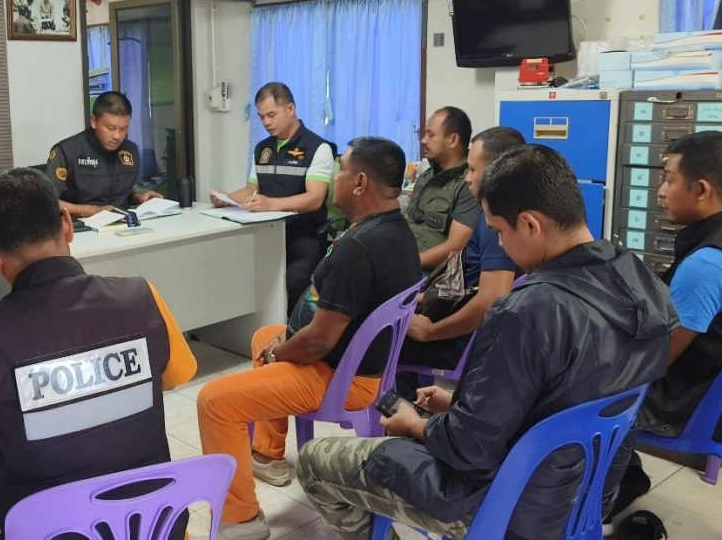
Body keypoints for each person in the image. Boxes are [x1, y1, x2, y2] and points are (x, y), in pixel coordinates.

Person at [296, 145, 676, 540]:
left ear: (529, 224)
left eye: (498, 232)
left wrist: (417, 425)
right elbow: (565, 397)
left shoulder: (525, 311)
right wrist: (461, 405)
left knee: (315, 462)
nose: (502, 246)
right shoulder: (640, 281)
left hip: (508, 506)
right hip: (588, 496)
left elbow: (468, 449)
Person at [0, 167, 197, 537]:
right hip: (153, 525)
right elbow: (177, 376)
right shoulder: (142, 296)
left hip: (54, 531)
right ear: (66, 224)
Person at [197, 137, 421, 540]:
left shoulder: (360, 248)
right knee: (263, 335)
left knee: (214, 401)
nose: (334, 178)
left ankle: (241, 519)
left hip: (339, 375)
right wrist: (281, 340)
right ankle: (267, 454)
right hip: (354, 361)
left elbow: (317, 343)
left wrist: (281, 351)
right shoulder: (396, 230)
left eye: (341, 169)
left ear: (360, 183)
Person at [608, 132, 722, 521]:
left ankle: (605, 491)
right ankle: (623, 475)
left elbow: (654, 360)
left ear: (701, 190)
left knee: (571, 384)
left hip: (694, 408)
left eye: (668, 179)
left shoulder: (708, 264)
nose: (660, 192)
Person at [395, 127, 525, 394]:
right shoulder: (505, 215)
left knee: (373, 340)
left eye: (473, 170)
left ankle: (400, 414)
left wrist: (431, 332)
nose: (467, 179)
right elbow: (471, 282)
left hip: (457, 340)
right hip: (452, 320)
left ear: (499, 171)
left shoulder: (496, 224)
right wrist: (425, 297)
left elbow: (491, 300)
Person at [211, 82, 335, 314]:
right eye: (261, 117)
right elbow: (251, 189)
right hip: (265, 230)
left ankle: (293, 328)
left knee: (294, 279)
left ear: (290, 109)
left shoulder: (317, 147)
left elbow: (314, 199)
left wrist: (272, 204)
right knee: (238, 271)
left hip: (303, 233)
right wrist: (227, 198)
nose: (266, 122)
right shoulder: (263, 149)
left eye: (271, 115)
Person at [46, 91, 163, 218]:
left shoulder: (130, 150)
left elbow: (119, 193)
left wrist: (138, 197)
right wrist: (89, 210)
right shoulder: (67, 151)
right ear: (94, 121)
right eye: (111, 128)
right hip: (79, 225)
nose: (117, 136)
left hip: (122, 223)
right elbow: (46, 201)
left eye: (123, 129)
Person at [407, 107, 479, 270]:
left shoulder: (469, 183)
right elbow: (412, 220)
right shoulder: (427, 176)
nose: (423, 140)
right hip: (408, 259)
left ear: (453, 140)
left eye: (431, 135)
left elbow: (456, 246)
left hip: (433, 274)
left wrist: (407, 266)